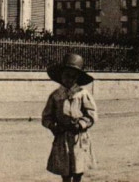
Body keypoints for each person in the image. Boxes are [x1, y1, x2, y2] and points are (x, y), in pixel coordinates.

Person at [42, 53, 97, 182]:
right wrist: (52, 126)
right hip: (62, 136)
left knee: (78, 167)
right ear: (61, 76)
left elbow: (91, 114)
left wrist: (81, 124)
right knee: (64, 168)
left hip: (78, 137)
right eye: (66, 75)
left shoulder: (82, 94)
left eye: (73, 76)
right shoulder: (55, 96)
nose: (69, 79)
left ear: (77, 78)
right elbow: (46, 116)